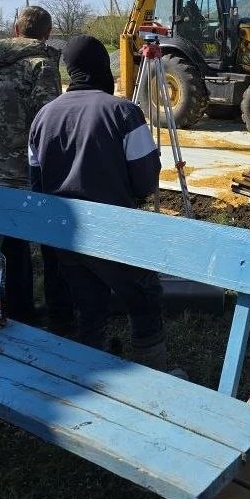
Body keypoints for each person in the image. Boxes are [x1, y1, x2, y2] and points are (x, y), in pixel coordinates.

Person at [28, 35, 169, 369]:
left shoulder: (43, 116)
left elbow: (36, 183)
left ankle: (91, 365)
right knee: (144, 296)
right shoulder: (124, 112)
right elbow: (146, 179)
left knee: (89, 303)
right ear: (102, 68)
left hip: (65, 236)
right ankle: (153, 368)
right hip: (114, 234)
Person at [0, 5, 65, 323]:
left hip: (1, 169)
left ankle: (18, 309)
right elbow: (51, 125)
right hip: (34, 171)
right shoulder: (42, 65)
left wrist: (3, 145)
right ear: (47, 33)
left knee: (11, 244)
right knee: (53, 240)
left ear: (16, 31)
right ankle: (59, 311)